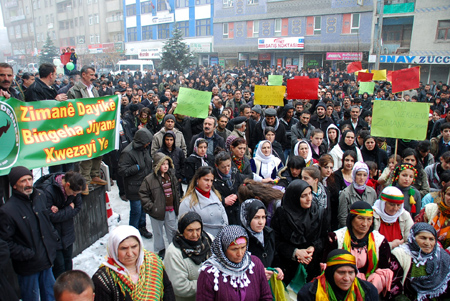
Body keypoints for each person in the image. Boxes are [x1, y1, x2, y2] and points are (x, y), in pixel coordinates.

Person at [0, 166, 59, 300]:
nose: (28, 184)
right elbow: (5, 242)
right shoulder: (8, 210)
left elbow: (47, 222)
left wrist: (53, 239)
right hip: (28, 266)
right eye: (23, 181)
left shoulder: (40, 196)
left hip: (46, 260)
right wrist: (26, 254)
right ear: (14, 185)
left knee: (50, 296)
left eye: (30, 179)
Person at [325, 201, 393, 294]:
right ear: (351, 219)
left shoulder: (380, 241)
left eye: (369, 219)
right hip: (342, 284)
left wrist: (368, 285)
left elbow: (384, 268)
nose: (365, 224)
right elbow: (328, 266)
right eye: (360, 218)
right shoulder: (336, 238)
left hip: (370, 286)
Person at [91, 225, 175, 300]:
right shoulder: (103, 278)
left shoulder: (152, 262)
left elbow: (167, 289)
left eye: (134, 246)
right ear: (114, 250)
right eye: (123, 248)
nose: (130, 254)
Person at [271, 180, 328, 284]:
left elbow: (324, 237)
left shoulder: (318, 212)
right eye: (304, 196)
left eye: (310, 194)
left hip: (312, 266)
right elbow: (275, 240)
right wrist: (295, 252)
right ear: (295, 197)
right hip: (288, 269)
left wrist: (313, 247)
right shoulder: (282, 214)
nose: (309, 198)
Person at [196, 225, 272, 301]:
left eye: (243, 247)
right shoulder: (209, 273)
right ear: (223, 249)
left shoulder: (255, 264)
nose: (240, 253)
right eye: (234, 249)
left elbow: (266, 296)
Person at [34, 171, 85, 279]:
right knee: (59, 267)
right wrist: (68, 209)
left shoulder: (74, 189)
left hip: (67, 233)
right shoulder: (47, 191)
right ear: (67, 185)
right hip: (53, 235)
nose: (75, 195)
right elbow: (49, 216)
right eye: (74, 192)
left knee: (68, 262)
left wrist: (61, 211)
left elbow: (78, 207)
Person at [67, 66, 107, 192]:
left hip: (95, 125)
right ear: (83, 75)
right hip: (83, 127)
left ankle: (94, 175)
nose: (93, 77)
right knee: (86, 153)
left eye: (94, 74)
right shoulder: (74, 90)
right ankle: (85, 181)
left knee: (98, 149)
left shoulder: (94, 90)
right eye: (91, 74)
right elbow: (71, 110)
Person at [389, 223, 450, 300]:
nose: (427, 243)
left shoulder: (442, 257)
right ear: (413, 238)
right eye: (423, 238)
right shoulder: (400, 254)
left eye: (431, 239)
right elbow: (394, 288)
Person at [140, 153, 180, 259]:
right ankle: (160, 249)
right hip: (156, 212)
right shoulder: (149, 179)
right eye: (163, 164)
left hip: (170, 209)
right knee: (157, 232)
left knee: (172, 230)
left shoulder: (171, 176)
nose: (166, 166)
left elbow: (177, 190)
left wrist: (178, 203)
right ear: (157, 165)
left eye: (167, 163)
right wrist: (151, 207)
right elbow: (143, 194)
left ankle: (173, 249)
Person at [164, 212, 213, 301]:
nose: (195, 235)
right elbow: (180, 287)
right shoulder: (174, 253)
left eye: (198, 229)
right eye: (190, 230)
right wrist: (208, 283)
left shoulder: (208, 240)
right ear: (182, 230)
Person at [297, 249, 378, 301]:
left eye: (351, 272)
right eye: (341, 272)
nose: (347, 278)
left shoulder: (368, 291)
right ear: (330, 273)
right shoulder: (309, 293)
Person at [118, 128, 154, 239]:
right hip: (133, 187)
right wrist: (136, 168)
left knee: (143, 208)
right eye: (147, 141)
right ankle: (132, 232)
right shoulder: (127, 152)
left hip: (144, 185)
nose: (148, 143)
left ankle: (142, 227)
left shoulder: (144, 149)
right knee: (136, 210)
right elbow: (122, 170)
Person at [240, 199, 284, 281]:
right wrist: (257, 272)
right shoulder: (241, 238)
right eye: (256, 218)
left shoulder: (269, 233)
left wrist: (277, 268)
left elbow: (275, 255)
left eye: (263, 217)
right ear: (247, 218)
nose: (261, 222)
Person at [179, 166, 228, 236]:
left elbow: (224, 217)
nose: (209, 184)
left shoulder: (216, 196)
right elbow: (182, 227)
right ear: (197, 180)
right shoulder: (187, 203)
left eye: (211, 181)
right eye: (206, 180)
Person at [338, 162, 377, 227]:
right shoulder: (345, 193)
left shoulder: (372, 192)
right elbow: (342, 217)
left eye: (364, 175)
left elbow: (374, 214)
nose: (362, 178)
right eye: (359, 174)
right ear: (354, 175)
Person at [213, 150, 242, 225]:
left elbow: (241, 186)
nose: (226, 169)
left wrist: (236, 195)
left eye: (229, 166)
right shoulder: (213, 178)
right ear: (217, 166)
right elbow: (212, 194)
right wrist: (223, 201)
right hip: (222, 213)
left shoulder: (235, 172)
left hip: (237, 209)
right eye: (223, 167)